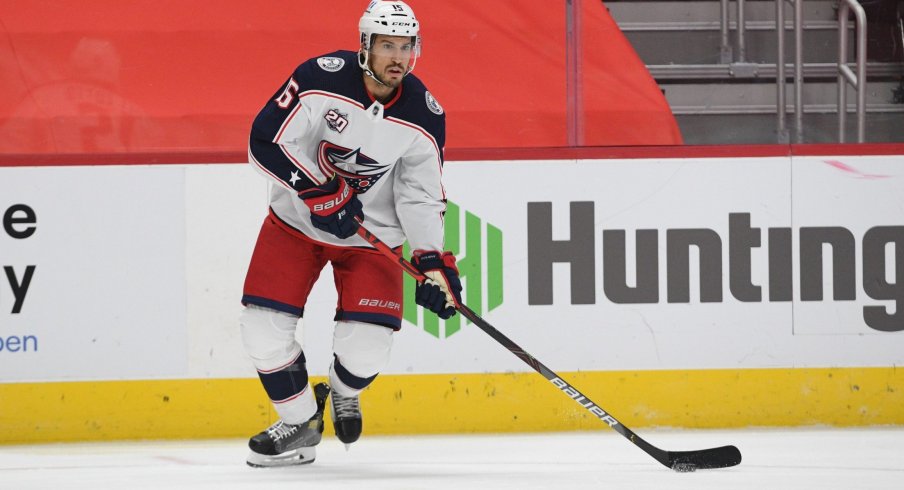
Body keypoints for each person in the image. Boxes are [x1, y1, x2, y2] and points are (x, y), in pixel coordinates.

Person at [239, 0, 462, 468]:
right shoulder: (321, 78)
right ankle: (300, 422)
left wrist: (432, 262)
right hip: (296, 225)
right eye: (386, 45)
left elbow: (421, 196)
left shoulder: (424, 114)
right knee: (261, 332)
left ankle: (343, 392)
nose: (398, 57)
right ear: (365, 46)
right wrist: (318, 191)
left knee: (367, 350)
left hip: (371, 238)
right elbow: (264, 140)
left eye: (406, 46)